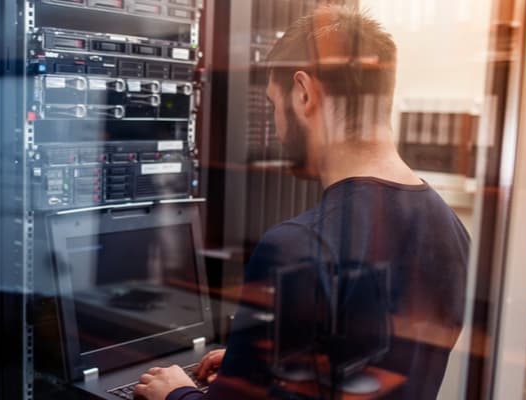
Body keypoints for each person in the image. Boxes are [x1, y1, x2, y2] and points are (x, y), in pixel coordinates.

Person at [133, 5, 470, 400]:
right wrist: (251, 365)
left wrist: (174, 393)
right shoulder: (450, 229)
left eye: (276, 104)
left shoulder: (297, 246)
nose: (276, 128)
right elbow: (368, 363)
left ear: (304, 92)